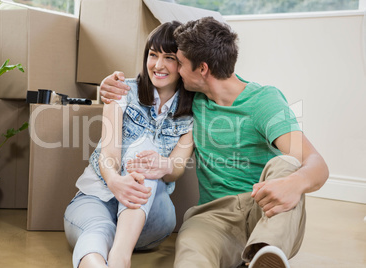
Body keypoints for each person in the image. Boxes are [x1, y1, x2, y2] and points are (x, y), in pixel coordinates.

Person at [99, 17, 329, 268]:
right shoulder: (192, 102)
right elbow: (148, 86)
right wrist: (108, 86)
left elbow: (316, 164)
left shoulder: (264, 102)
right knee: (190, 255)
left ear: (203, 69)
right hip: (213, 218)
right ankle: (253, 256)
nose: (177, 69)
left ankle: (266, 252)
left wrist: (294, 183)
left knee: (286, 164)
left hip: (264, 208)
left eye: (180, 63)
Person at [64, 21, 195, 268]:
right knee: (97, 232)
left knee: (148, 158)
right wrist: (113, 180)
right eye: (153, 54)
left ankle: (120, 257)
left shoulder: (192, 112)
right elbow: (109, 151)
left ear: (184, 63)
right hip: (98, 198)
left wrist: (163, 165)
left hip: (151, 217)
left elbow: (177, 166)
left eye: (169, 57)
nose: (158, 65)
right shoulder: (122, 91)